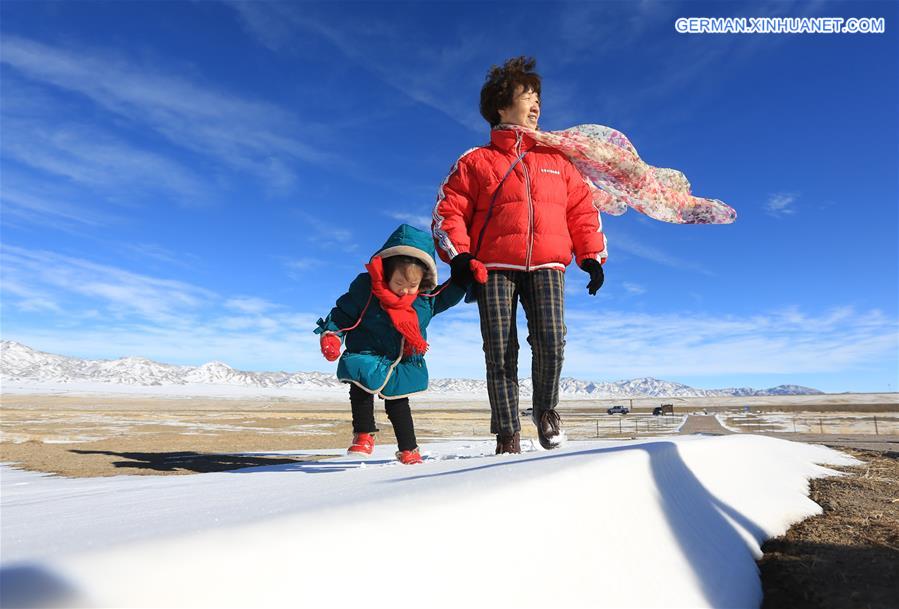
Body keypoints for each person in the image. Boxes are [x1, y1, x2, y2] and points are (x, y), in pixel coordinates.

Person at [432, 56, 607, 454]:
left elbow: (581, 210)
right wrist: (459, 256)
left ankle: (545, 410)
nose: (537, 105)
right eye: (527, 96)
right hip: (492, 267)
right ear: (500, 106)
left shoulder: (556, 161)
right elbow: (449, 211)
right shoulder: (475, 161)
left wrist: (592, 255)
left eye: (539, 99)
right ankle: (507, 435)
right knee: (499, 349)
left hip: (547, 264)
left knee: (551, 339)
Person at [315, 224, 481, 464]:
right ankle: (363, 434)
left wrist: (465, 277)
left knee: (398, 404)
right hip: (367, 350)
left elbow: (447, 294)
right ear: (386, 272)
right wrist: (331, 334)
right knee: (359, 383)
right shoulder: (366, 291)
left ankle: (409, 450)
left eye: (412, 286)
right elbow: (343, 314)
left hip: (400, 359)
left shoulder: (424, 301)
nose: (405, 291)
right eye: (399, 283)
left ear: (423, 282)